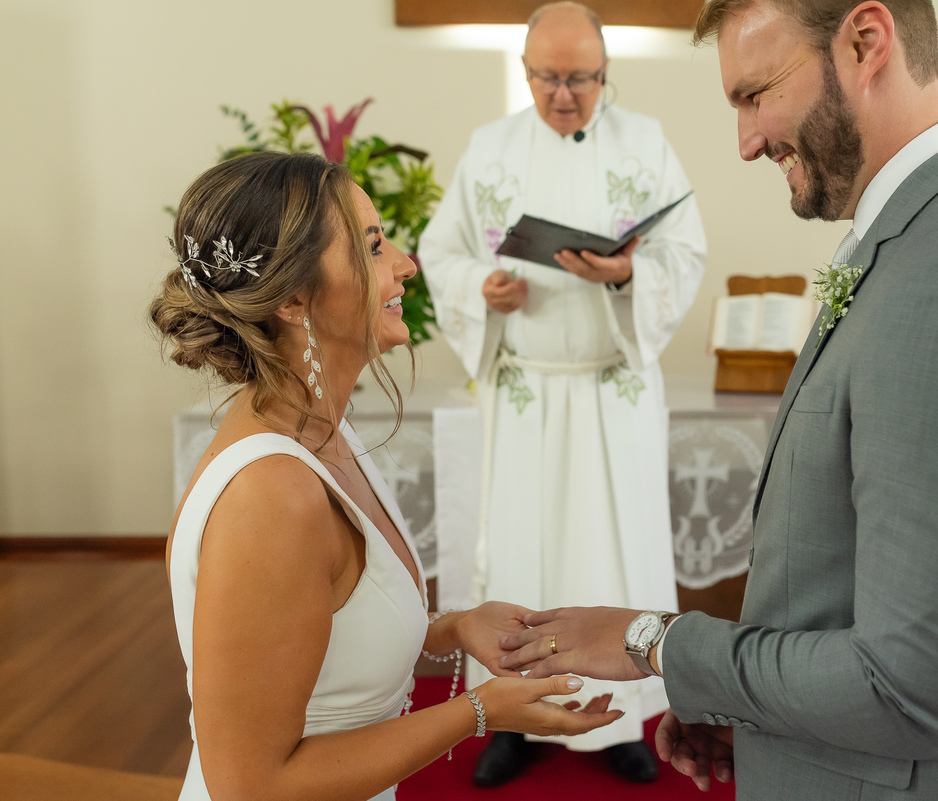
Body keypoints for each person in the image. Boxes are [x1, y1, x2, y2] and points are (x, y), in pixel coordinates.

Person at [498, 1, 938, 798]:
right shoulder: (929, 233)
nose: (746, 140)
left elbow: (910, 688)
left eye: (756, 94)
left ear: (865, 42)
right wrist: (757, 707)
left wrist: (657, 640)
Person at [149, 151, 623, 801]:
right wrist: (480, 710)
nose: (405, 262)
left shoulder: (322, 433)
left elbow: (322, 641)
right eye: (372, 247)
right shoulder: (273, 495)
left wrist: (453, 628)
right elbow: (251, 784)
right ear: (292, 298)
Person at [417, 0, 707, 787]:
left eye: (581, 79)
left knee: (614, 560)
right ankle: (516, 716)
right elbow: (437, 254)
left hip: (610, 393)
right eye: (548, 78)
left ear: (606, 74)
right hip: (526, 398)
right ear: (526, 73)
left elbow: (686, 250)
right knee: (523, 556)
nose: (564, 95)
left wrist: (629, 275)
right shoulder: (490, 149)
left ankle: (622, 721)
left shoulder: (644, 143)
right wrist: (484, 286)